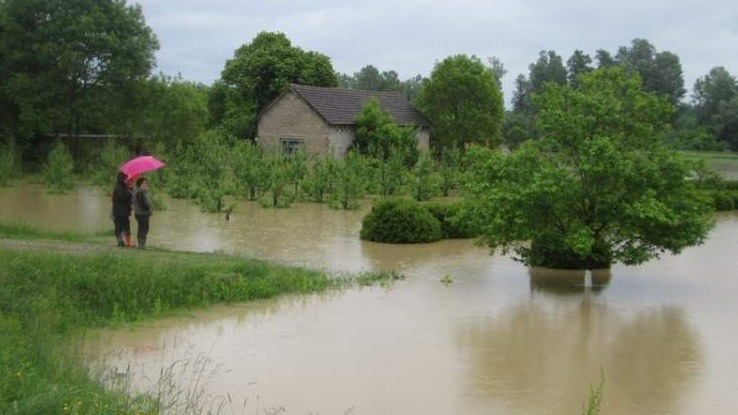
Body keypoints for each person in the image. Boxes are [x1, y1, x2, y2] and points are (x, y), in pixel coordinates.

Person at [111, 171, 134, 247]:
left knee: (127, 226)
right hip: (118, 212)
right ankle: (120, 242)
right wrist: (129, 191)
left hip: (125, 211)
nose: (127, 180)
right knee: (119, 227)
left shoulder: (125, 186)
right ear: (122, 179)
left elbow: (130, 198)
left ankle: (128, 242)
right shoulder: (118, 187)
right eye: (125, 178)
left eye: (127, 178)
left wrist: (130, 189)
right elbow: (122, 198)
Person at [132, 177, 153, 249]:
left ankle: (141, 244)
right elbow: (143, 205)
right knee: (144, 229)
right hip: (142, 214)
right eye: (143, 183)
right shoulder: (140, 193)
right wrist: (149, 210)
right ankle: (142, 245)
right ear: (139, 184)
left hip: (141, 214)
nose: (145, 184)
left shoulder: (142, 192)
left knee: (142, 228)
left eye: (146, 183)